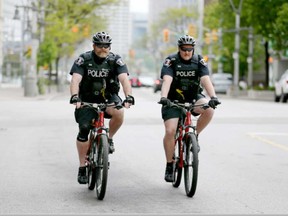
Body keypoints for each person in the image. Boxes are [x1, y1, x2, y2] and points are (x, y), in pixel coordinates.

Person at [69, 31, 135, 184]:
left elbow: (124, 79)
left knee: (119, 112)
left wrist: (129, 96)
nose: (103, 48)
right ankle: (82, 167)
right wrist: (74, 96)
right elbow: (75, 80)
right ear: (94, 46)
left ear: (110, 47)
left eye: (106, 46)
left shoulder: (116, 60)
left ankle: (109, 139)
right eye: (100, 45)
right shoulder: (83, 59)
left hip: (108, 97)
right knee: (84, 129)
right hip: (86, 99)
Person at [158, 35, 220, 182]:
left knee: (209, 109)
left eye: (190, 49)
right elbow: (167, 80)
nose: (187, 52)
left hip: (193, 98)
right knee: (170, 131)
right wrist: (164, 97)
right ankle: (169, 164)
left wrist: (213, 97)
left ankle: (195, 136)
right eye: (184, 49)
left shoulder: (199, 60)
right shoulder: (171, 61)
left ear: (193, 49)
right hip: (173, 101)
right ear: (179, 49)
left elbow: (205, 80)